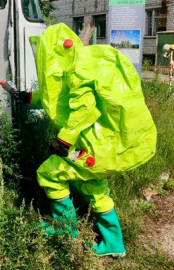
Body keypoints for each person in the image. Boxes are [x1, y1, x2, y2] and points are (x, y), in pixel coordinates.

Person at [14, 23, 156, 258]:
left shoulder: (79, 72)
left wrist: (63, 141)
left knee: (50, 174)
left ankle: (65, 230)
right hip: (101, 147)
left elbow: (85, 110)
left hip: (91, 147)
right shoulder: (79, 66)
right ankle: (114, 243)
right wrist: (30, 97)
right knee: (94, 188)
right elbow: (60, 98)